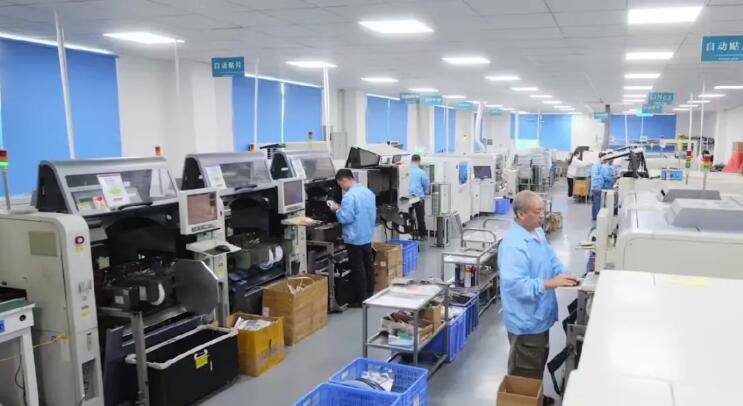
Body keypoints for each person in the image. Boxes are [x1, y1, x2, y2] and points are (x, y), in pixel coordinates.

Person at [498, 191, 577, 405]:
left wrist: (567, 275)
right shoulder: (514, 245)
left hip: (539, 316)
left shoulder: (537, 232)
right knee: (524, 372)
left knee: (537, 363)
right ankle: (525, 400)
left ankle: (536, 397)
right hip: (526, 322)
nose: (543, 215)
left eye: (543, 210)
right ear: (521, 214)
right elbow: (515, 285)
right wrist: (550, 283)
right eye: (537, 211)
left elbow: (551, 259)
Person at [331, 169, 377, 306]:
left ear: (344, 180)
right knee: (368, 265)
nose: (341, 188)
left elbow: (345, 218)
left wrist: (336, 210)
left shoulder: (349, 196)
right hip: (366, 234)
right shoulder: (367, 192)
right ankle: (370, 293)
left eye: (340, 185)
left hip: (354, 237)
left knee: (358, 269)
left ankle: (360, 299)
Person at [408, 154, 431, 239]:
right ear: (419, 161)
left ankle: (408, 234)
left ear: (411, 161)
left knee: (408, 217)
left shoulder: (406, 170)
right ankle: (423, 235)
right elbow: (426, 184)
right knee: (420, 217)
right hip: (418, 197)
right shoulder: (421, 172)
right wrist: (424, 191)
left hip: (408, 197)